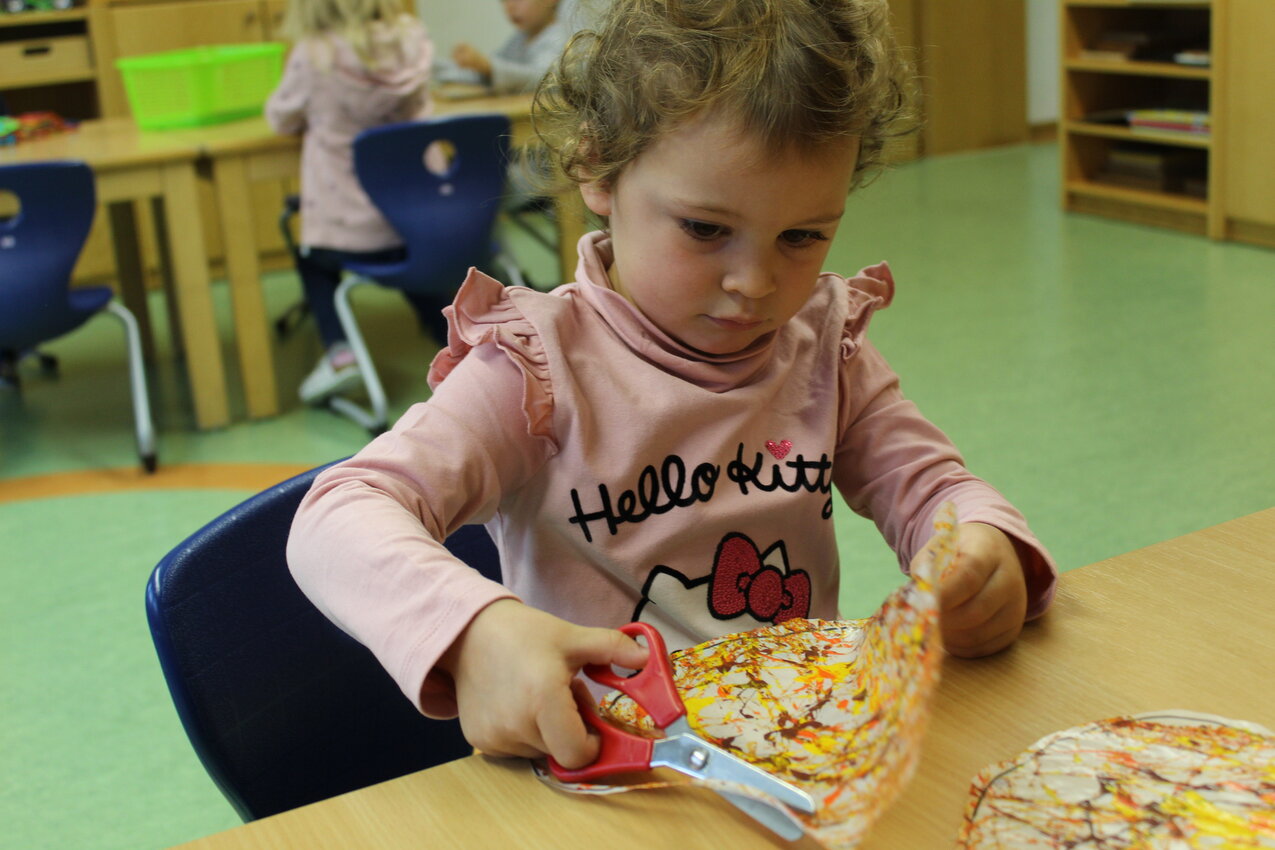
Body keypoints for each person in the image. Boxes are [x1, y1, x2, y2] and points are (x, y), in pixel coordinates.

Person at [288, 0, 1058, 773]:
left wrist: (982, 549)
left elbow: (932, 487)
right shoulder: (535, 371)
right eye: (704, 229)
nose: (754, 283)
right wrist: (473, 631)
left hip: (797, 756)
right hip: (606, 775)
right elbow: (338, 514)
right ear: (598, 167)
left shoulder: (825, 346)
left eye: (801, 236)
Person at [266, 0, 451, 405]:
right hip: (423, 223)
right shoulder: (411, 39)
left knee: (313, 259)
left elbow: (280, 117)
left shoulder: (315, 54)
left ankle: (340, 353)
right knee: (418, 267)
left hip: (352, 231)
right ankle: (458, 346)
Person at [446, 0, 568, 95]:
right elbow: (487, 72)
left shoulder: (560, 37)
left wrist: (487, 66)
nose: (510, 6)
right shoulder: (519, 39)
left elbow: (541, 79)